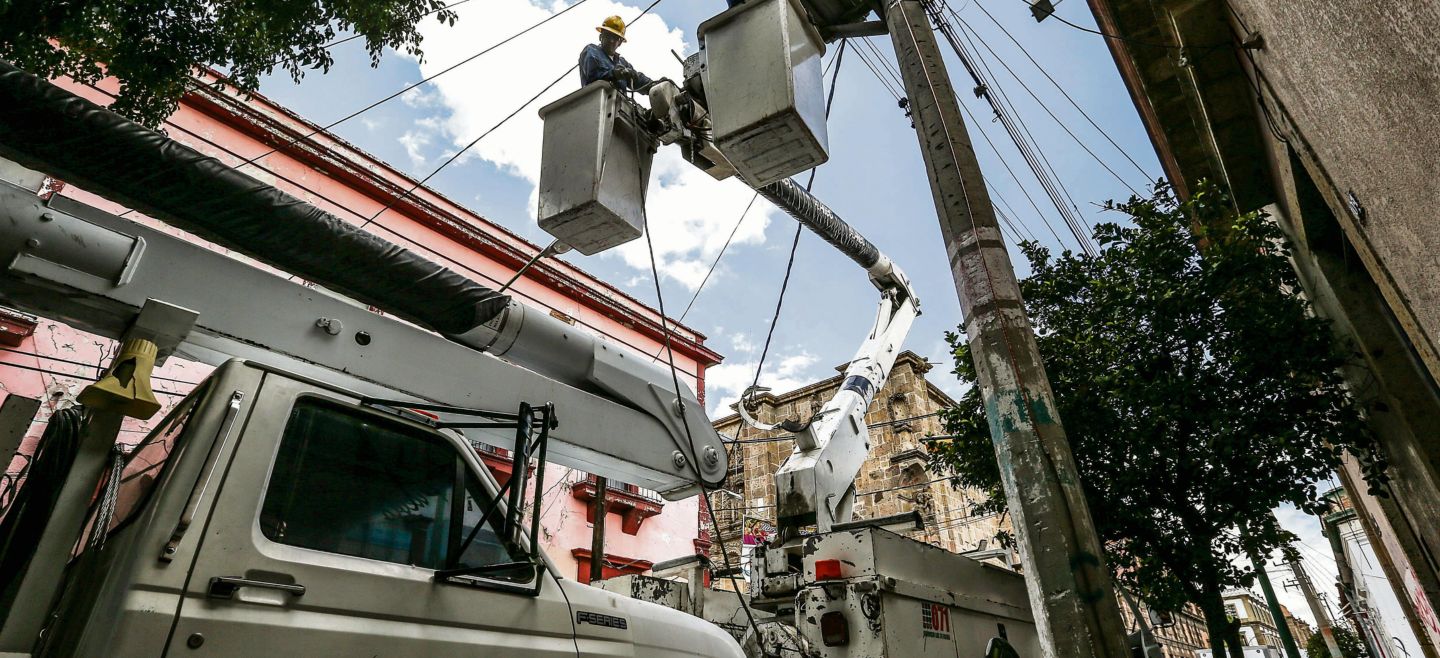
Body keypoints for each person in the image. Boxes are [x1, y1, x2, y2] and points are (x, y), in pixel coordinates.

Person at [578, 16, 654, 93]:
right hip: (596, 100)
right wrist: (614, 74)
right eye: (608, 35)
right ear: (601, 37)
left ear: (620, 42)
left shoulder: (621, 62)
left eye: (615, 38)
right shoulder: (592, 50)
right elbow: (594, 76)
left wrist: (653, 85)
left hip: (617, 103)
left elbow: (637, 79)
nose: (611, 40)